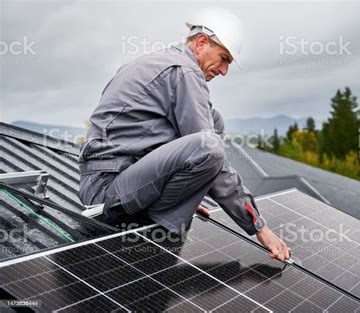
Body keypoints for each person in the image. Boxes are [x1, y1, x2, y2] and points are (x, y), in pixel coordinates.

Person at [78, 8, 290, 261]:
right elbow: (208, 154)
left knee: (214, 121)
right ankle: (157, 222)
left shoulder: (163, 63)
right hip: (107, 192)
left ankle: (164, 209)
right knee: (209, 144)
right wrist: (258, 226)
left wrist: (184, 191)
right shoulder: (184, 71)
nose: (224, 71)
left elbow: (154, 144)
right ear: (201, 43)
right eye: (224, 58)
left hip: (123, 179)